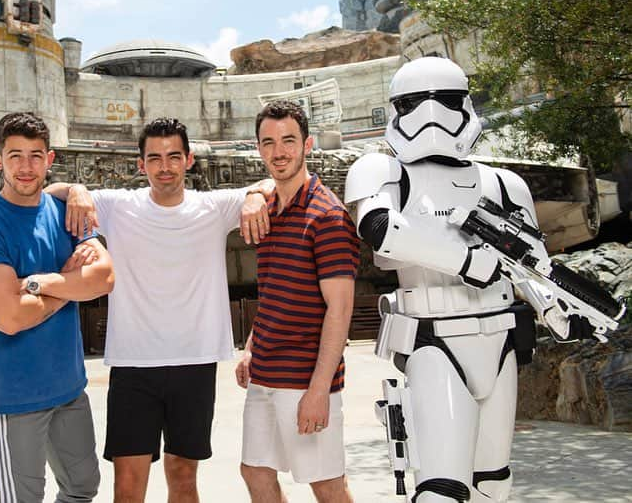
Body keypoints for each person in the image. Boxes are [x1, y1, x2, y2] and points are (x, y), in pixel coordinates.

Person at [342, 57, 610, 501]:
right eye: (414, 102)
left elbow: (530, 265)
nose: (431, 114)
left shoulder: (503, 184)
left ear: (465, 104)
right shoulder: (383, 171)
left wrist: (554, 309)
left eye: (444, 100)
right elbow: (381, 230)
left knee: (493, 482)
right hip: (433, 341)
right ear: (396, 110)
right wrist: (466, 260)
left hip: (501, 340)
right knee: (442, 489)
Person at [47, 117, 270, 503]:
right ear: (141, 164)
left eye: (173, 157)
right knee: (128, 485)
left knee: (183, 478)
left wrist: (254, 196)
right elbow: (50, 191)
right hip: (134, 363)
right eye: (154, 158)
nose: (164, 167)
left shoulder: (214, 208)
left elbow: (271, 185)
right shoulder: (118, 207)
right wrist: (77, 188)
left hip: (193, 362)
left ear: (189, 160)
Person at [0, 112, 115, 503]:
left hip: (67, 386)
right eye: (15, 155)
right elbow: (11, 318)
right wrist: (70, 283)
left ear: (50, 159)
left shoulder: (68, 212)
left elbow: (105, 278)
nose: (25, 167)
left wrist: (38, 283)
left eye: (35, 155)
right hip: (13, 392)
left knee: (82, 488)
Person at [235, 100, 360, 503]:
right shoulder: (266, 212)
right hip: (265, 375)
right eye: (268, 143)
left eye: (289, 140)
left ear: (307, 145)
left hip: (306, 379)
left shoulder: (328, 216)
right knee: (254, 472)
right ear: (259, 149)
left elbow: (340, 310)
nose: (279, 151)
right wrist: (252, 348)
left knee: (326, 485)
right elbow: (274, 292)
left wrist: (319, 389)